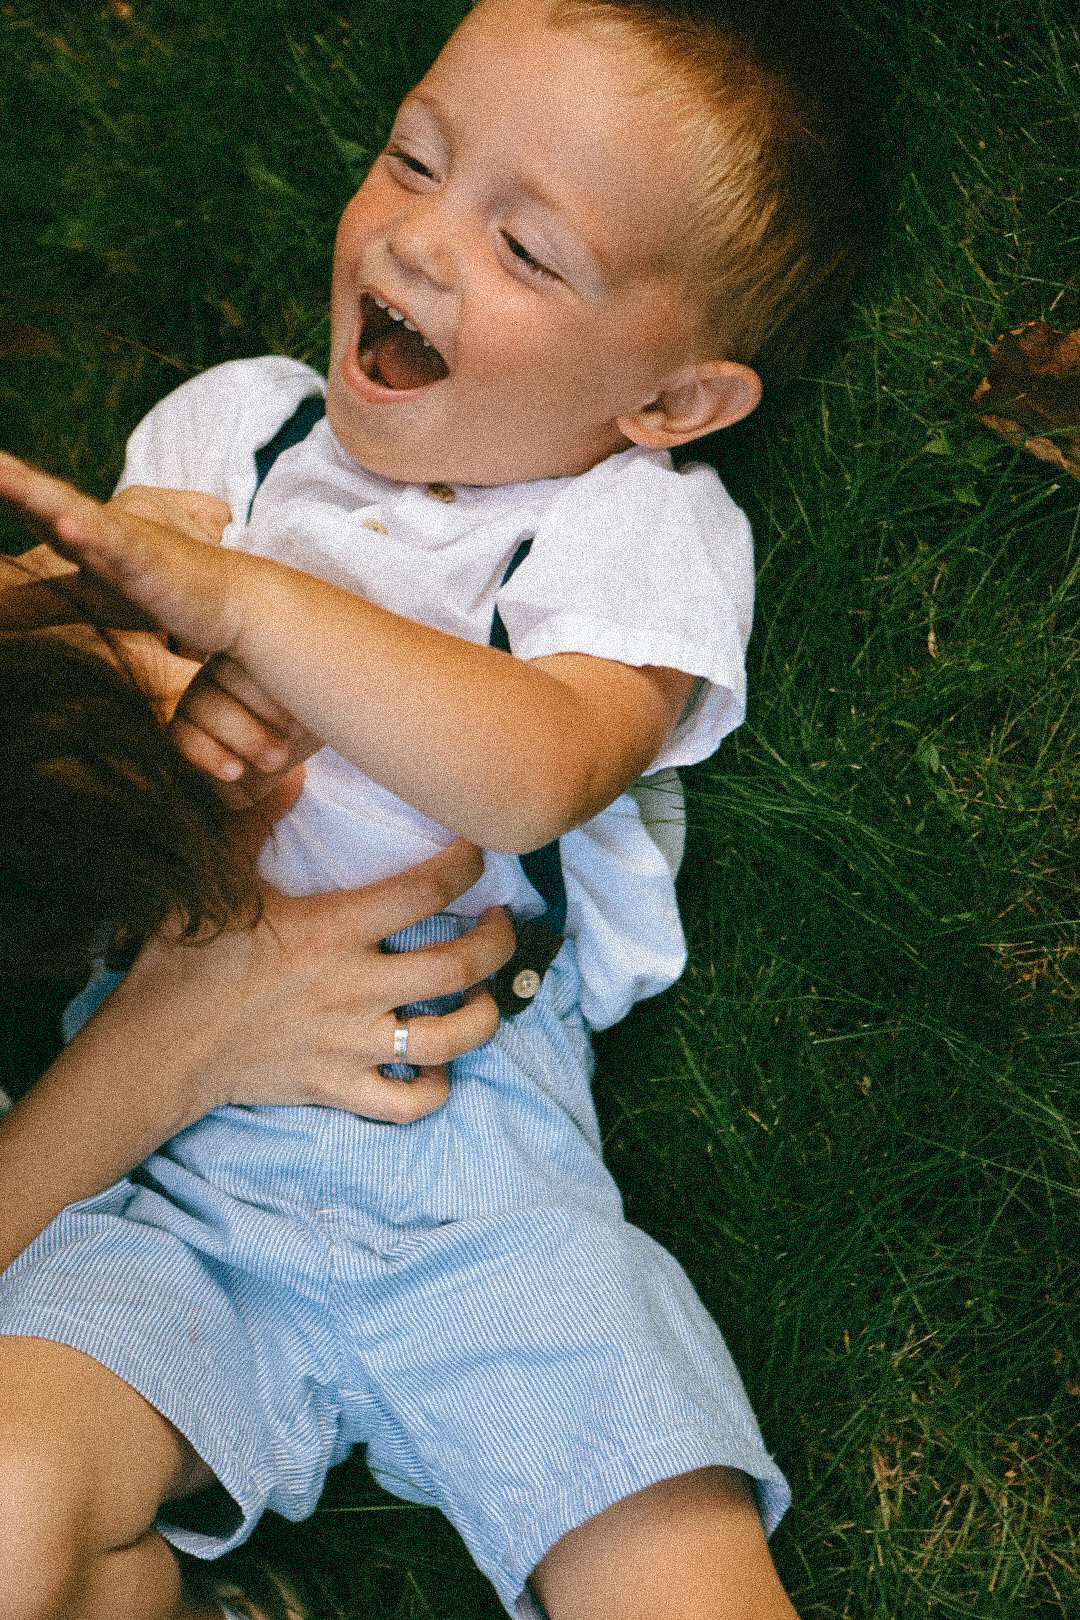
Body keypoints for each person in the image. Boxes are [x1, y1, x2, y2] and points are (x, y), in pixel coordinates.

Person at [0, 0, 876, 1614]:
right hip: (167, 1186)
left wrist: (254, 614)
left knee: (674, 1576)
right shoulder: (237, 429)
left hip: (478, 1179)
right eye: (413, 159)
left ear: (671, 401)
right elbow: (77, 692)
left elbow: (540, 766)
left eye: (526, 249)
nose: (419, 238)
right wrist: (147, 683)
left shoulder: (628, 525)